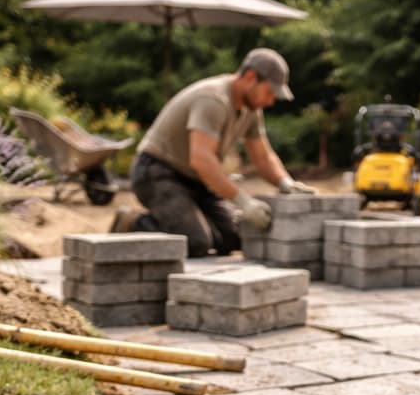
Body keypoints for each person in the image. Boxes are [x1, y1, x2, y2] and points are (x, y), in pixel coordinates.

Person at [123, 47, 316, 256]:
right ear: (251, 77)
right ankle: (131, 222)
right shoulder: (214, 99)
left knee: (235, 237)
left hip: (196, 181)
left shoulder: (251, 110)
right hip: (157, 174)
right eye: (269, 92)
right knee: (196, 241)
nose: (270, 101)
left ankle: (186, 222)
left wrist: (285, 183)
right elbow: (201, 159)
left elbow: (262, 155)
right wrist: (244, 202)